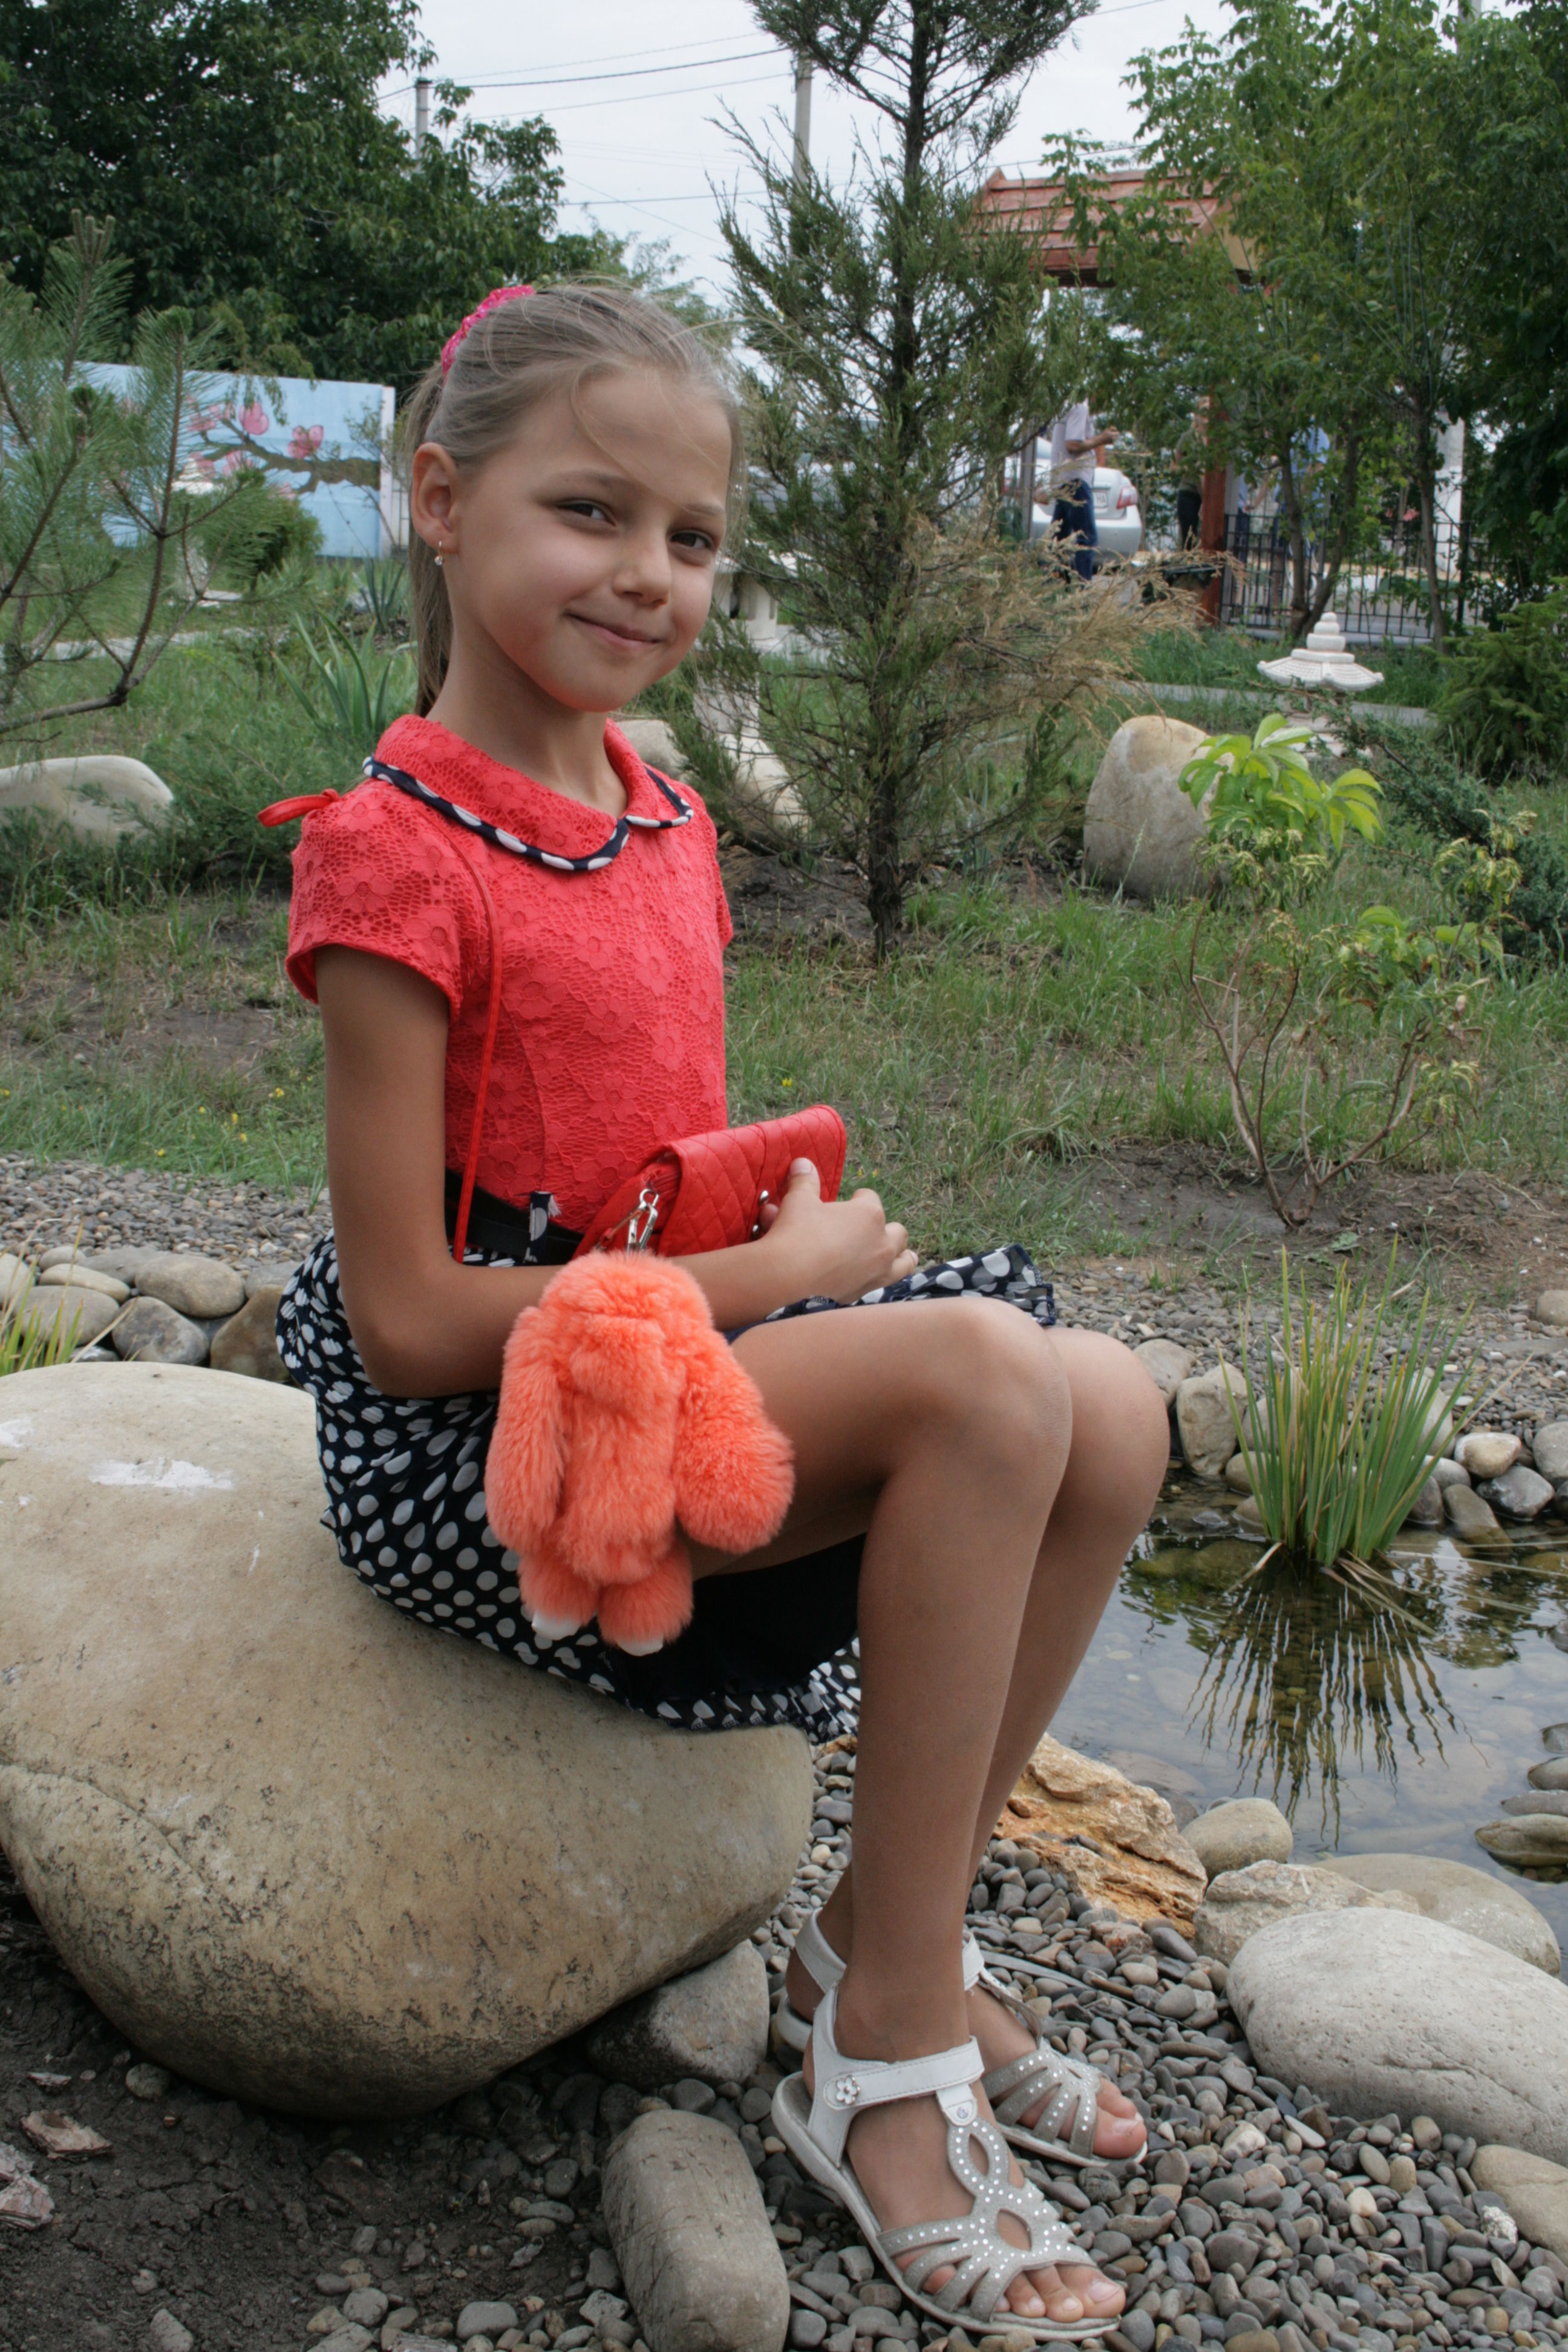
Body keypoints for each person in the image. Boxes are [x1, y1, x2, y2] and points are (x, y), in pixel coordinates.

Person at [269, 282, 1168, 2337]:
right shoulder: (394, 855)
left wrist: (758, 1244)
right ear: (440, 501)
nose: (648, 573)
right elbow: (408, 1320)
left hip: (659, 1370)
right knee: (978, 1373)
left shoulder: (660, 810)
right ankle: (885, 2061)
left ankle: (879, 1931)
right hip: (479, 1455)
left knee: (1110, 1406)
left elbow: (637, 1180)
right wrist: (779, 1276)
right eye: (591, 511)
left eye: (691, 536)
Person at [1047, 399, 1118, 580]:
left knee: (1058, 540)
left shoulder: (1068, 404)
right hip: (1076, 481)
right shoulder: (1080, 407)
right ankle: (1083, 590)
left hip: (1065, 480)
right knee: (1087, 539)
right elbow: (1073, 445)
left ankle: (1049, 582)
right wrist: (1102, 439)